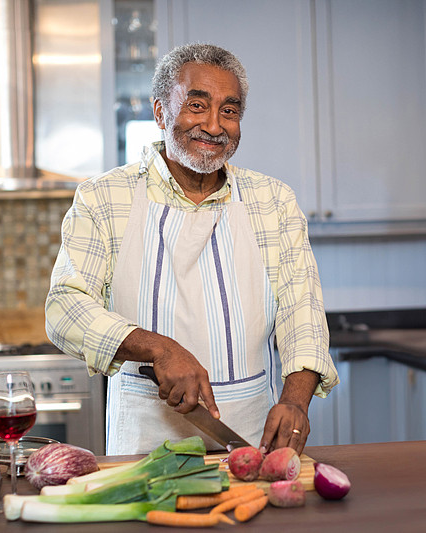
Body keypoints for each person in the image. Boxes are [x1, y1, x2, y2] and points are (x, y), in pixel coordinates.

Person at [45, 43, 338, 456]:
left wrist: (295, 401)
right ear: (160, 112)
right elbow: (64, 308)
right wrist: (159, 348)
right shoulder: (104, 197)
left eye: (229, 110)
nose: (215, 126)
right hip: (144, 446)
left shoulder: (273, 200)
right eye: (197, 105)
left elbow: (302, 312)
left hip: (251, 439)